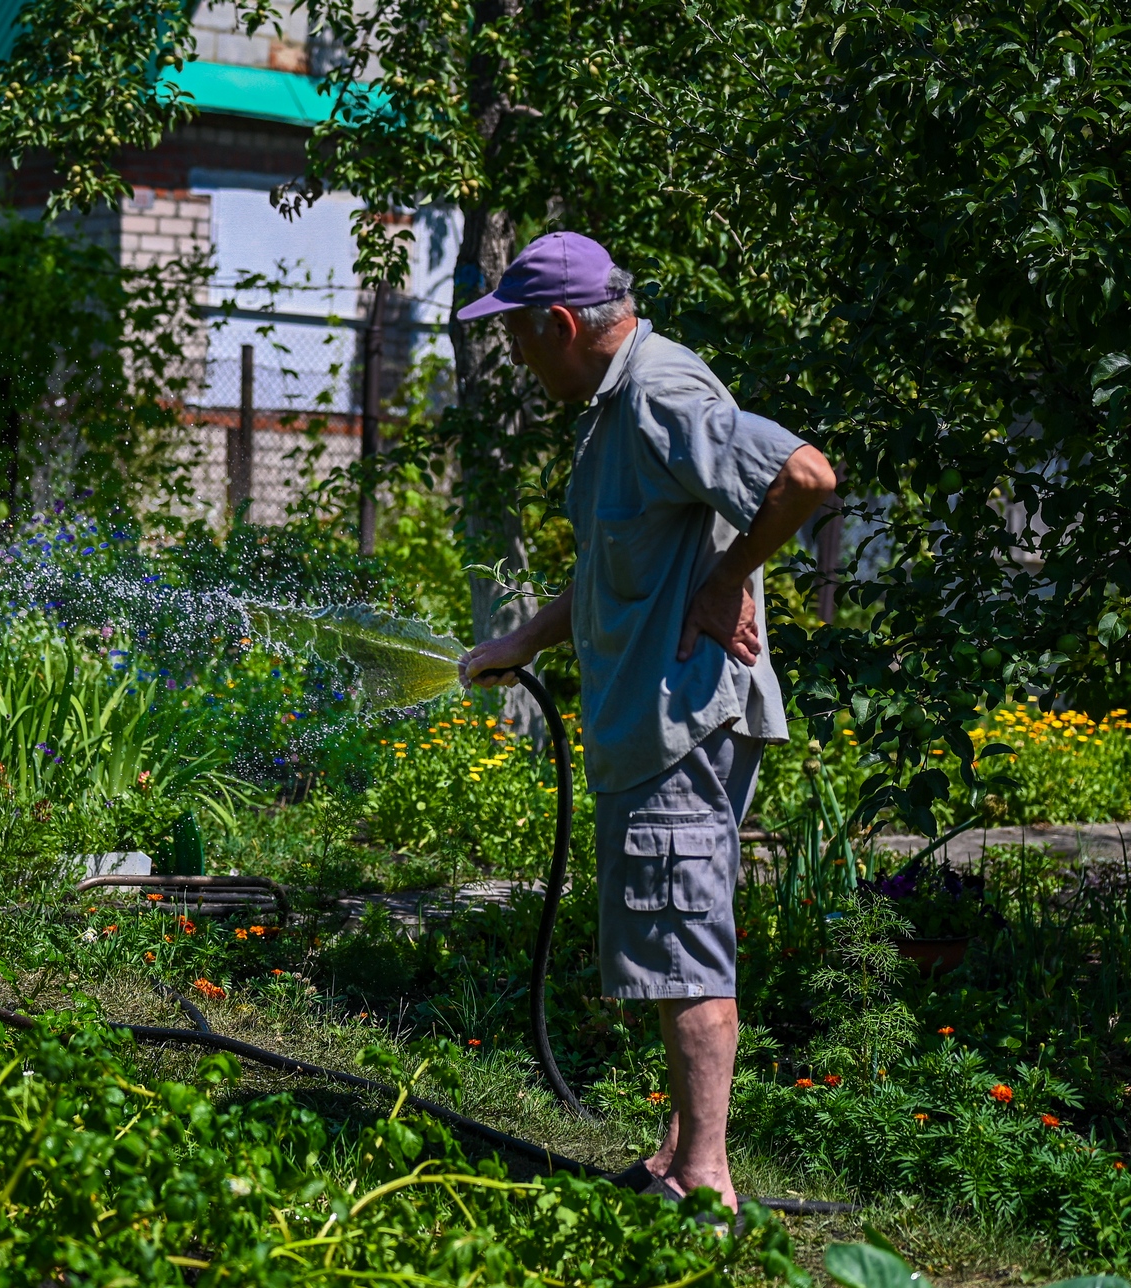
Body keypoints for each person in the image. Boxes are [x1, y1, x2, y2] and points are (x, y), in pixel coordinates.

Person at [455, 232, 837, 1212]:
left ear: (562, 324)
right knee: (675, 944)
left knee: (686, 946)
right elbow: (613, 568)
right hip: (654, 722)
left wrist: (724, 580)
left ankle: (705, 1185)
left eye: (516, 338)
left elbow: (805, 476)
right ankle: (674, 1158)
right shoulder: (612, 408)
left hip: (678, 722)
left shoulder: (658, 394)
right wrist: (526, 642)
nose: (516, 358)